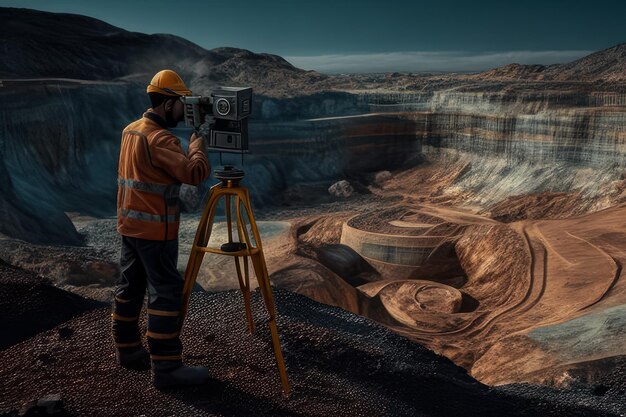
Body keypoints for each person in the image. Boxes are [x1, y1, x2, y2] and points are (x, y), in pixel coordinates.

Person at [112, 69, 211, 388]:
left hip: (130, 227)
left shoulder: (131, 130)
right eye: (182, 104)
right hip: (156, 231)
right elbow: (194, 174)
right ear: (168, 104)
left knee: (130, 287)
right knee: (166, 293)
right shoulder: (160, 138)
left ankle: (127, 350)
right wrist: (198, 142)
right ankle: (167, 368)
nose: (184, 111)